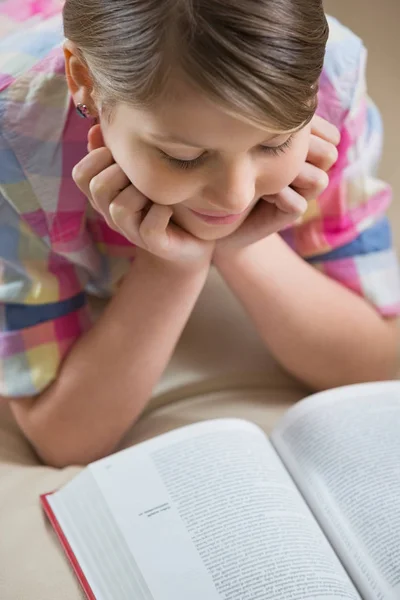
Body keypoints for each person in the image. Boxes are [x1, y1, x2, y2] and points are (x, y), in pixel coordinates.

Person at [0, 0, 399, 469]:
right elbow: (63, 438)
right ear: (83, 81)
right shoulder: (17, 132)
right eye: (184, 156)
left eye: (275, 143)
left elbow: (378, 365)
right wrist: (173, 265)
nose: (236, 197)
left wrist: (241, 244)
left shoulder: (326, 73)